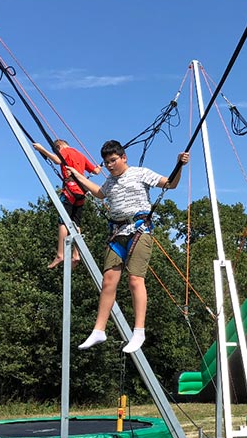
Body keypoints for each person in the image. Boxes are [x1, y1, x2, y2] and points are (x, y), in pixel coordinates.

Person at [67, 140, 189, 354]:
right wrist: (78, 176)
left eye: (113, 160)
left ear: (124, 157)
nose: (110, 166)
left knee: (135, 279)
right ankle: (99, 330)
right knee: (108, 281)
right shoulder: (110, 183)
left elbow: (170, 183)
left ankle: (139, 331)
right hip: (117, 233)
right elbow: (98, 192)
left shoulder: (140, 173)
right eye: (106, 163)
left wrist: (179, 164)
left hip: (139, 231)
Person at [33, 139, 100, 269]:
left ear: (58, 147)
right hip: (81, 192)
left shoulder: (64, 150)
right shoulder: (80, 154)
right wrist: (98, 167)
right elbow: (95, 172)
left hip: (70, 190)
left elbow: (57, 160)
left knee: (63, 221)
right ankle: (76, 254)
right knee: (76, 222)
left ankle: (60, 254)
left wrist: (42, 149)